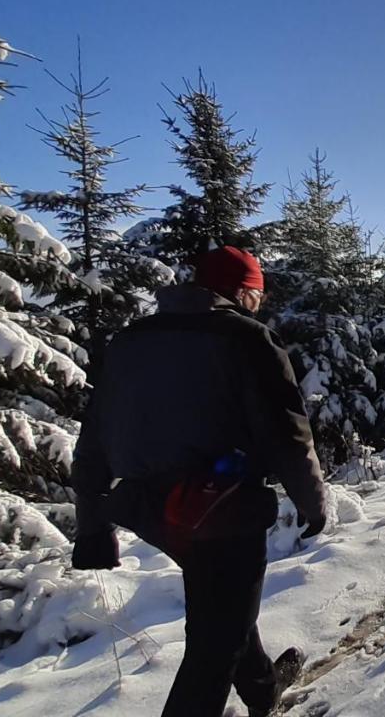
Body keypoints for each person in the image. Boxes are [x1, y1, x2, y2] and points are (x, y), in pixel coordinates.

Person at [69, 246, 328, 717]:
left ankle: (263, 686)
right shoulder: (249, 339)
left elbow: (93, 440)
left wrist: (92, 527)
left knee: (223, 604)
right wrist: (313, 504)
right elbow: (289, 435)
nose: (259, 304)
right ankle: (251, 689)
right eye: (256, 293)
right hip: (221, 508)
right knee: (213, 648)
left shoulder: (129, 341)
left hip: (152, 511)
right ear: (242, 290)